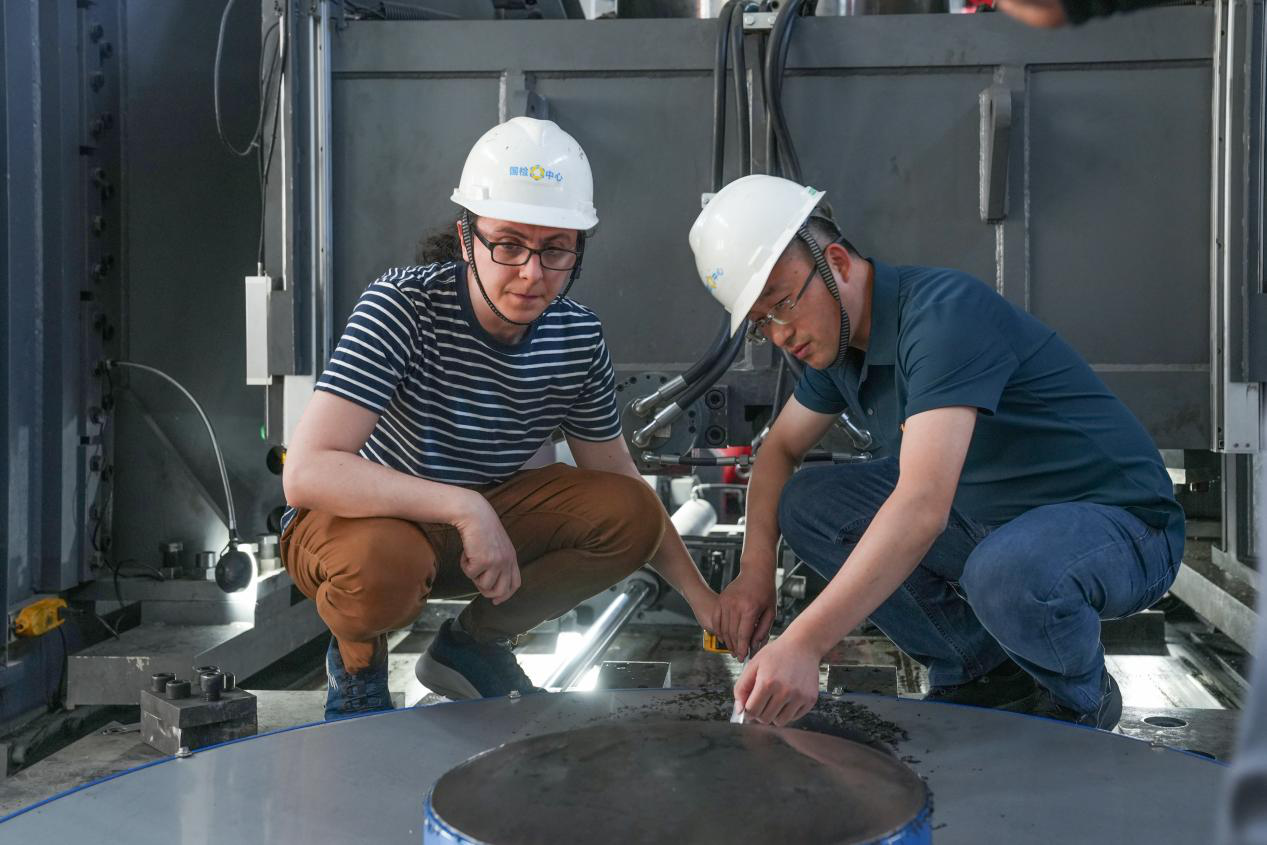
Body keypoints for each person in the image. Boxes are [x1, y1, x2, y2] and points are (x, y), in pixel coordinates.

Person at [691, 174, 1185, 730]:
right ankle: (981, 672)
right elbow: (778, 449)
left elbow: (923, 505)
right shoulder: (840, 349)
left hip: (1121, 528)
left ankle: (1078, 698)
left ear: (838, 263)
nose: (780, 334)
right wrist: (756, 571)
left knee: (1006, 572)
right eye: (762, 324)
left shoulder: (942, 315)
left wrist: (804, 643)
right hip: (994, 521)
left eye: (782, 304)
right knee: (809, 503)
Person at [281, 117, 718, 719]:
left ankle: (471, 648)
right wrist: (466, 507)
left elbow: (620, 481)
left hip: (483, 535)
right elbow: (307, 472)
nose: (532, 273)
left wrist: (703, 600)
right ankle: (357, 664)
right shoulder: (402, 306)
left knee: (631, 512)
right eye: (508, 245)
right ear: (467, 239)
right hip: (373, 525)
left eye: (555, 249)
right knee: (381, 567)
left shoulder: (576, 337)